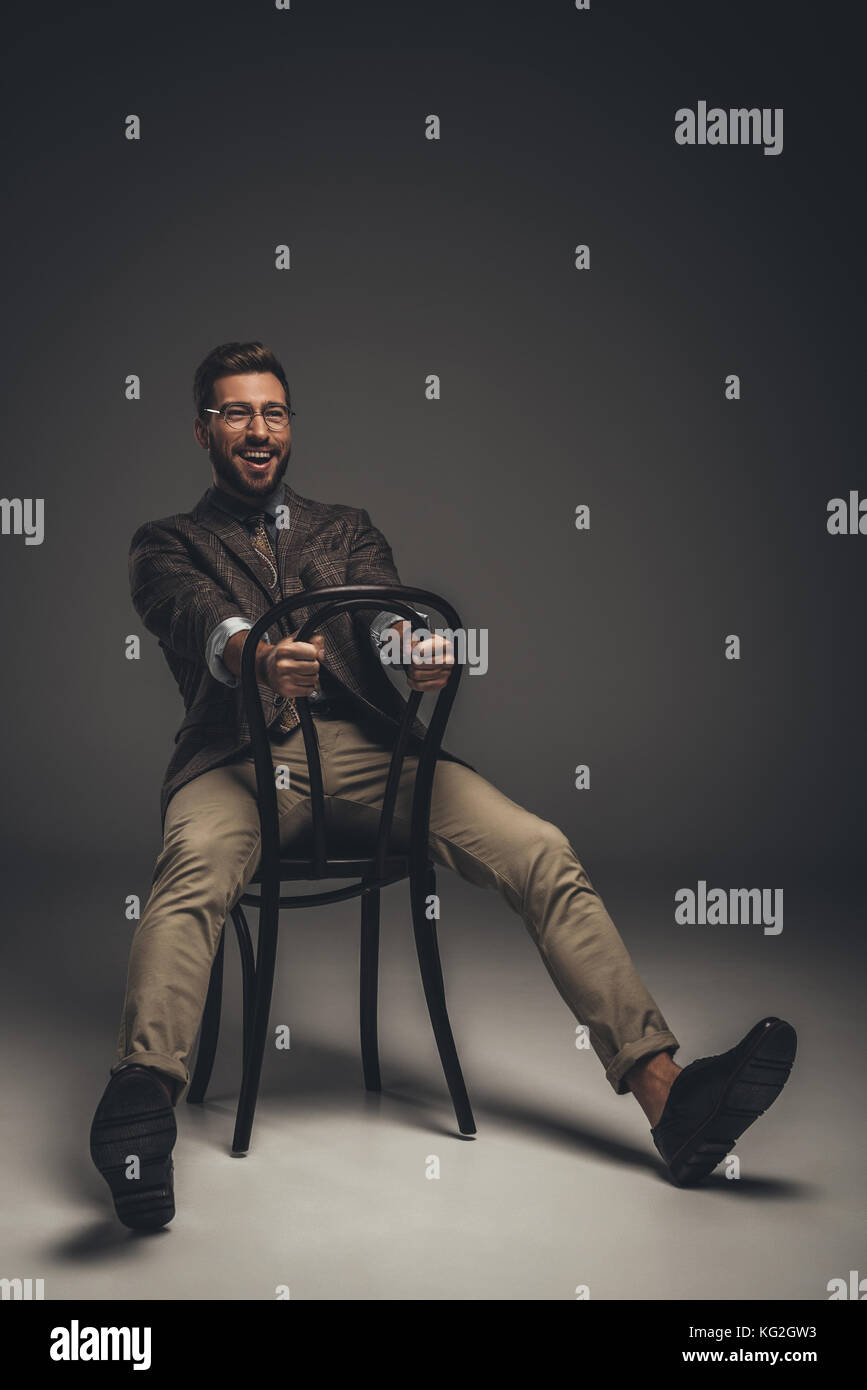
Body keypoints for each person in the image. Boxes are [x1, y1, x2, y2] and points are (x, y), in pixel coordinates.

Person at [90, 341, 797, 1230]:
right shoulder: (166, 543)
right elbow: (203, 621)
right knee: (190, 867)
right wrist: (261, 656)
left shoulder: (341, 525)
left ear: (289, 428)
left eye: (271, 411)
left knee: (540, 849)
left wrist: (410, 647)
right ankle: (141, 1112)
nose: (256, 428)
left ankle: (670, 1097)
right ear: (203, 430)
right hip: (235, 761)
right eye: (234, 412)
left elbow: (386, 606)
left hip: (366, 754)